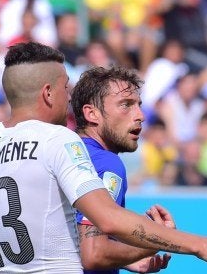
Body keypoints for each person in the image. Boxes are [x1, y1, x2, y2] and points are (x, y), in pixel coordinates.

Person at [0, 42, 207, 273]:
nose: (69, 97)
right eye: (65, 88)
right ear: (48, 93)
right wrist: (200, 244)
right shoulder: (58, 140)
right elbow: (103, 230)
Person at [71, 66, 173, 273]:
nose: (141, 116)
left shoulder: (62, 155)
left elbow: (69, 238)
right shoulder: (107, 164)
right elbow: (93, 253)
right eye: (126, 105)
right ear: (92, 113)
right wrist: (157, 239)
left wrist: (125, 260)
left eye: (139, 105)